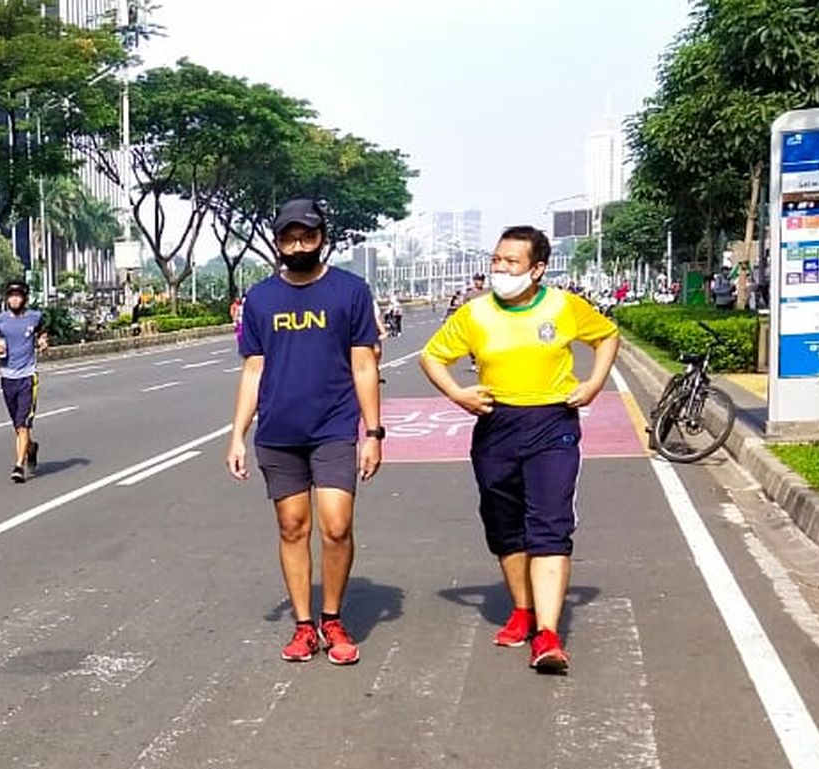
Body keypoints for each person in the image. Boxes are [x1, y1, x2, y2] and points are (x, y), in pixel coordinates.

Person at [419, 226, 619, 674]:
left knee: (549, 524)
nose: (501, 269)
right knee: (503, 522)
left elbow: (607, 336)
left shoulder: (563, 306)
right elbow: (432, 356)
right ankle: (523, 610)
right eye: (497, 260)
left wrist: (593, 384)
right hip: (496, 425)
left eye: (512, 262)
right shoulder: (475, 314)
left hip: (552, 423)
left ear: (537, 268)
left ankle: (547, 635)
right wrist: (459, 394)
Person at [227, 198, 383, 666]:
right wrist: (237, 434)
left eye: (307, 236)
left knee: (336, 526)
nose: (298, 245)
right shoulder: (259, 299)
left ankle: (332, 618)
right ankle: (303, 626)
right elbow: (254, 370)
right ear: (277, 242)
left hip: (334, 428)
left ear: (323, 238)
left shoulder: (350, 292)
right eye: (290, 237)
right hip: (278, 433)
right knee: (293, 527)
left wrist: (373, 432)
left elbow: (363, 363)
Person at [0, 280, 48, 483]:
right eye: (11, 295)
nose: (14, 299)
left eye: (18, 295)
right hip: (7, 377)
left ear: (24, 298)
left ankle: (18, 466)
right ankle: (31, 448)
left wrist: (42, 342)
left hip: (27, 377)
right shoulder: (0, 320)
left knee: (23, 425)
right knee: (17, 426)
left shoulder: (35, 317)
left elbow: (42, 333)